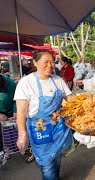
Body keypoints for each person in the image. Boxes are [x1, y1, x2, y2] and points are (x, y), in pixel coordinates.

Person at [14, 50, 73, 180]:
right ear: (35, 62)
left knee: (57, 158)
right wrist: (22, 134)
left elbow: (71, 100)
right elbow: (21, 112)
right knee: (47, 165)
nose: (50, 65)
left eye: (52, 62)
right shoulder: (26, 83)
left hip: (58, 128)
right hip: (40, 130)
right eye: (45, 62)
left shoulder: (57, 80)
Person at [0, 73, 17, 154]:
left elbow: (17, 99)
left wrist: (15, 110)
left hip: (9, 111)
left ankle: (14, 148)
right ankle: (2, 151)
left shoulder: (11, 85)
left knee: (11, 131)